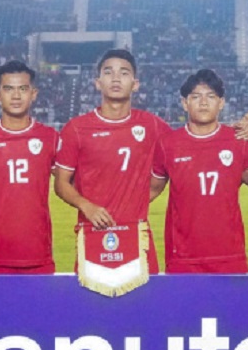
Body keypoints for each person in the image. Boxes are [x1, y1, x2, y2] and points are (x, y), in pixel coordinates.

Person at [54, 48, 171, 274]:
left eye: (124, 73)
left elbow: (188, 142)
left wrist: (244, 125)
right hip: (92, 233)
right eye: (109, 72)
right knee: (92, 306)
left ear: (135, 84)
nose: (116, 78)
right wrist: (86, 206)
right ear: (98, 82)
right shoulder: (77, 129)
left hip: (137, 234)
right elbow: (61, 184)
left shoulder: (152, 125)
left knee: (144, 306)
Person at [150, 68, 248, 273]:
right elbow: (150, 190)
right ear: (184, 103)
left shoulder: (238, 141)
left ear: (221, 102)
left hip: (229, 256)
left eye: (211, 96)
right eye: (196, 97)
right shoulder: (168, 144)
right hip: (183, 258)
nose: (204, 102)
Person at [0, 61, 59, 273]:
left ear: (33, 93)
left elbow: (72, 185)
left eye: (23, 89)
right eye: (8, 89)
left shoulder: (51, 138)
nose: (16, 96)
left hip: (38, 255)